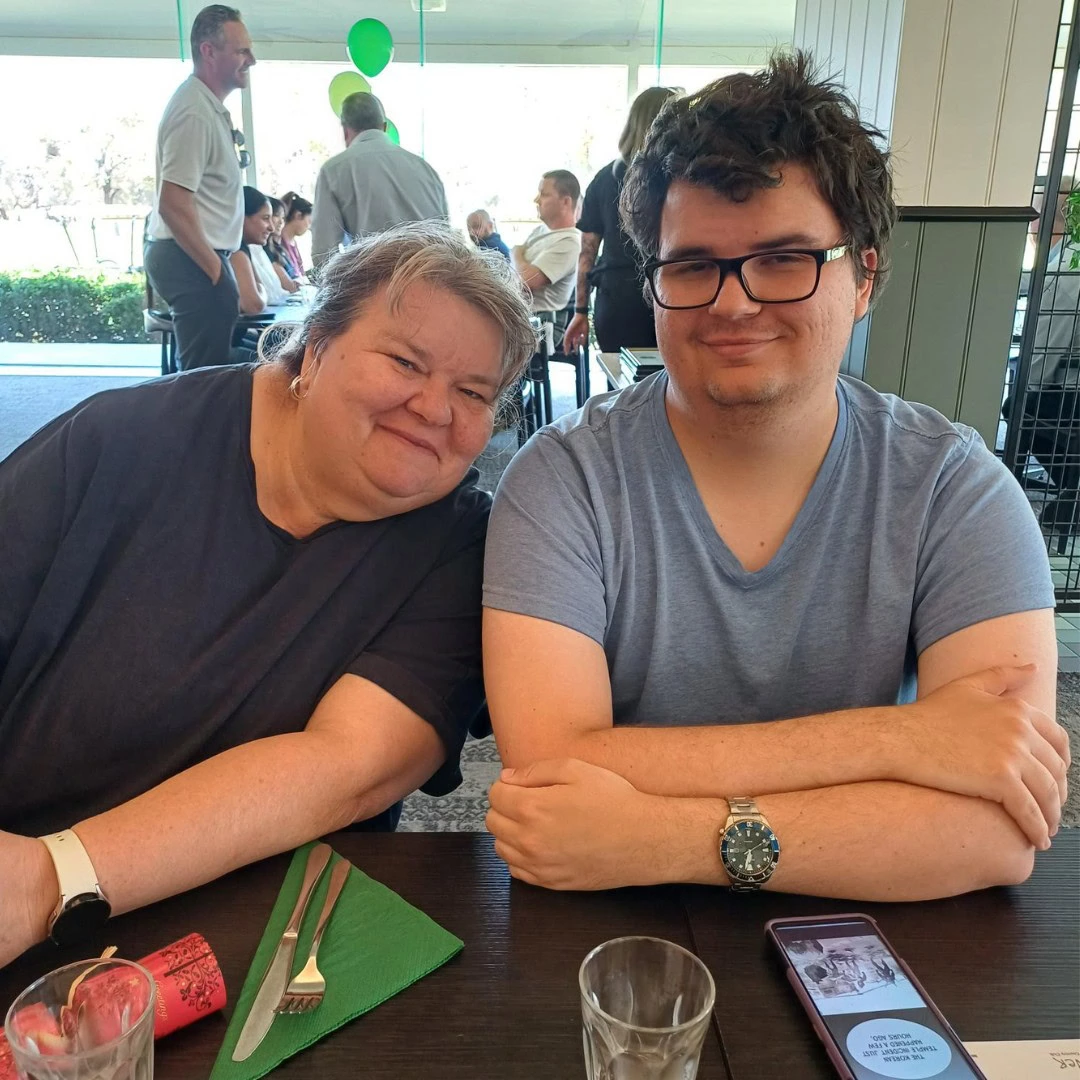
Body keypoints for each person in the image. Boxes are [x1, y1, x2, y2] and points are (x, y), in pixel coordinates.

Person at [481, 53, 1071, 902]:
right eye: (692, 266)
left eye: (785, 259)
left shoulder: (954, 488)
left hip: (870, 950)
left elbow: (997, 832)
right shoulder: (562, 479)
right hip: (609, 959)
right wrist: (899, 743)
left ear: (864, 275)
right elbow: (551, 765)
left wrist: (667, 838)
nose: (731, 302)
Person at [0, 222, 535, 971]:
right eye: (406, 361)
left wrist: (49, 881)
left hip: (258, 948)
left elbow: (347, 768)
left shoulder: (461, 548)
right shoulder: (119, 440)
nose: (436, 408)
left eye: (474, 392)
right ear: (314, 350)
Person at [144, 4, 254, 370]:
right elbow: (172, 202)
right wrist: (216, 271)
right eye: (241, 50)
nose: (251, 59)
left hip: (195, 256)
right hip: (190, 257)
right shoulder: (193, 112)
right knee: (200, 382)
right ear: (209, 51)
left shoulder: (206, 108)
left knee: (208, 376)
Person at [564, 87, 678, 355]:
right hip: (670, 292)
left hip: (617, 298)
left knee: (620, 389)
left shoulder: (605, 178)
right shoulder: (683, 175)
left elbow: (587, 254)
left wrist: (580, 311)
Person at [311, 92, 448, 269]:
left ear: (345, 130)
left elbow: (324, 253)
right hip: (431, 279)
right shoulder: (426, 169)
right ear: (384, 127)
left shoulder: (334, 170)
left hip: (376, 285)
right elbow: (447, 240)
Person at [512, 170, 582, 321]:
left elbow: (526, 281)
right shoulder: (541, 230)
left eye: (543, 194)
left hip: (541, 324)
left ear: (566, 202)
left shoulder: (570, 243)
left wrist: (516, 253)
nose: (536, 200)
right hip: (521, 317)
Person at [230, 185, 285, 314]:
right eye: (266, 218)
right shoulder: (235, 251)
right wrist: (262, 290)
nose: (271, 228)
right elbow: (254, 305)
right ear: (241, 216)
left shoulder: (243, 248)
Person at [265, 196, 300, 294]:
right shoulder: (265, 249)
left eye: (283, 218)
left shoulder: (278, 247)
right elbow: (289, 286)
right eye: (276, 215)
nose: (281, 222)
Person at [280, 192, 313, 279]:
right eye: (309, 221)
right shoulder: (278, 242)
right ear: (298, 215)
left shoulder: (293, 243)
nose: (309, 227)